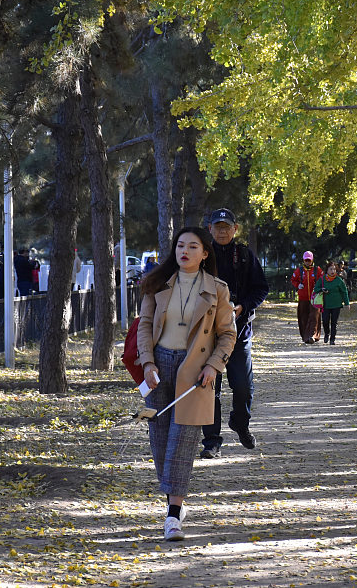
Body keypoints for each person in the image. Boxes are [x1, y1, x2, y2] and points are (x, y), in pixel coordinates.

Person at [135, 226, 237, 541]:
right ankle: (173, 502)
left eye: (193, 247)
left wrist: (213, 366)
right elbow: (145, 326)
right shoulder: (156, 283)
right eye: (180, 245)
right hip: (158, 368)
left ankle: (173, 515)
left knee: (183, 442)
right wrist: (147, 362)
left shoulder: (217, 289)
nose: (185, 251)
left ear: (205, 253)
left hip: (194, 371)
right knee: (160, 440)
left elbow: (228, 334)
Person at [200, 208, 269, 459]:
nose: (222, 231)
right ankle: (211, 441)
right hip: (207, 333)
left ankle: (240, 423)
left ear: (235, 229)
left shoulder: (245, 255)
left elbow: (261, 289)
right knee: (209, 387)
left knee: (243, 386)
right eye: (217, 227)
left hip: (239, 331)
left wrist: (243, 306)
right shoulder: (202, 255)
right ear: (210, 229)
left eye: (226, 227)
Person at [314, 262, 350, 345]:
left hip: (336, 304)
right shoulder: (322, 279)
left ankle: (332, 339)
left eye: (334, 269)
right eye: (331, 269)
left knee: (334, 322)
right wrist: (321, 289)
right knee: (325, 321)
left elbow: (344, 292)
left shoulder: (339, 280)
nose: (333, 271)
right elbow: (316, 289)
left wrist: (347, 303)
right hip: (325, 304)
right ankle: (327, 333)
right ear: (327, 270)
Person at [291, 251, 323, 343]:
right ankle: (305, 337)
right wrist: (298, 285)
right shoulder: (299, 270)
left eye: (309, 260)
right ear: (303, 260)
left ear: (312, 260)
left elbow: (322, 280)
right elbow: (293, 280)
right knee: (303, 317)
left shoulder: (317, 270)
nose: (307, 262)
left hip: (315, 298)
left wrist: (319, 288)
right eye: (306, 260)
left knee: (315, 317)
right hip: (303, 298)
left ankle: (313, 336)